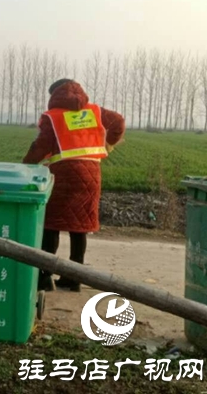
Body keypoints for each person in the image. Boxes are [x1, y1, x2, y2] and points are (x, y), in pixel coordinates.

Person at [23, 79, 125, 292]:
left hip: (64, 173)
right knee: (80, 226)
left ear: (55, 94)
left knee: (52, 224)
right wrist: (109, 143)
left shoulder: (55, 116)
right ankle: (74, 278)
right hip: (91, 174)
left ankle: (45, 277)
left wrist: (26, 166)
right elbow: (118, 122)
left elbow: (41, 145)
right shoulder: (94, 111)